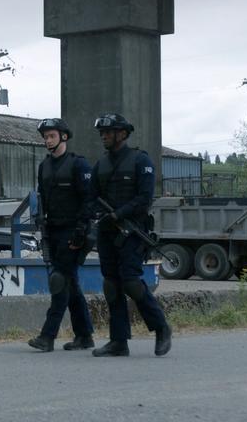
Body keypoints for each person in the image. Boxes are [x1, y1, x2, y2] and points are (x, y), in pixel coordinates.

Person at [90, 113, 172, 357]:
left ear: (122, 134)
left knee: (132, 283)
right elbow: (91, 197)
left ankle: (161, 328)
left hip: (131, 231)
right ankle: (118, 341)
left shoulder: (140, 160)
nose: (104, 136)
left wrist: (118, 214)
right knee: (111, 284)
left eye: (109, 131)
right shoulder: (100, 164)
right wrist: (97, 215)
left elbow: (144, 199)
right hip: (107, 233)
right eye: (102, 132)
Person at [27, 118, 95, 352]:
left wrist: (80, 232)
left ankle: (47, 336)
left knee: (60, 282)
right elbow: (42, 198)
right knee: (71, 284)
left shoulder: (79, 165)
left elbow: (89, 200)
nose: (47, 140)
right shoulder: (44, 166)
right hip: (52, 231)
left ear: (63, 137)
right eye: (45, 137)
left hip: (72, 232)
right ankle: (85, 335)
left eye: (52, 136)